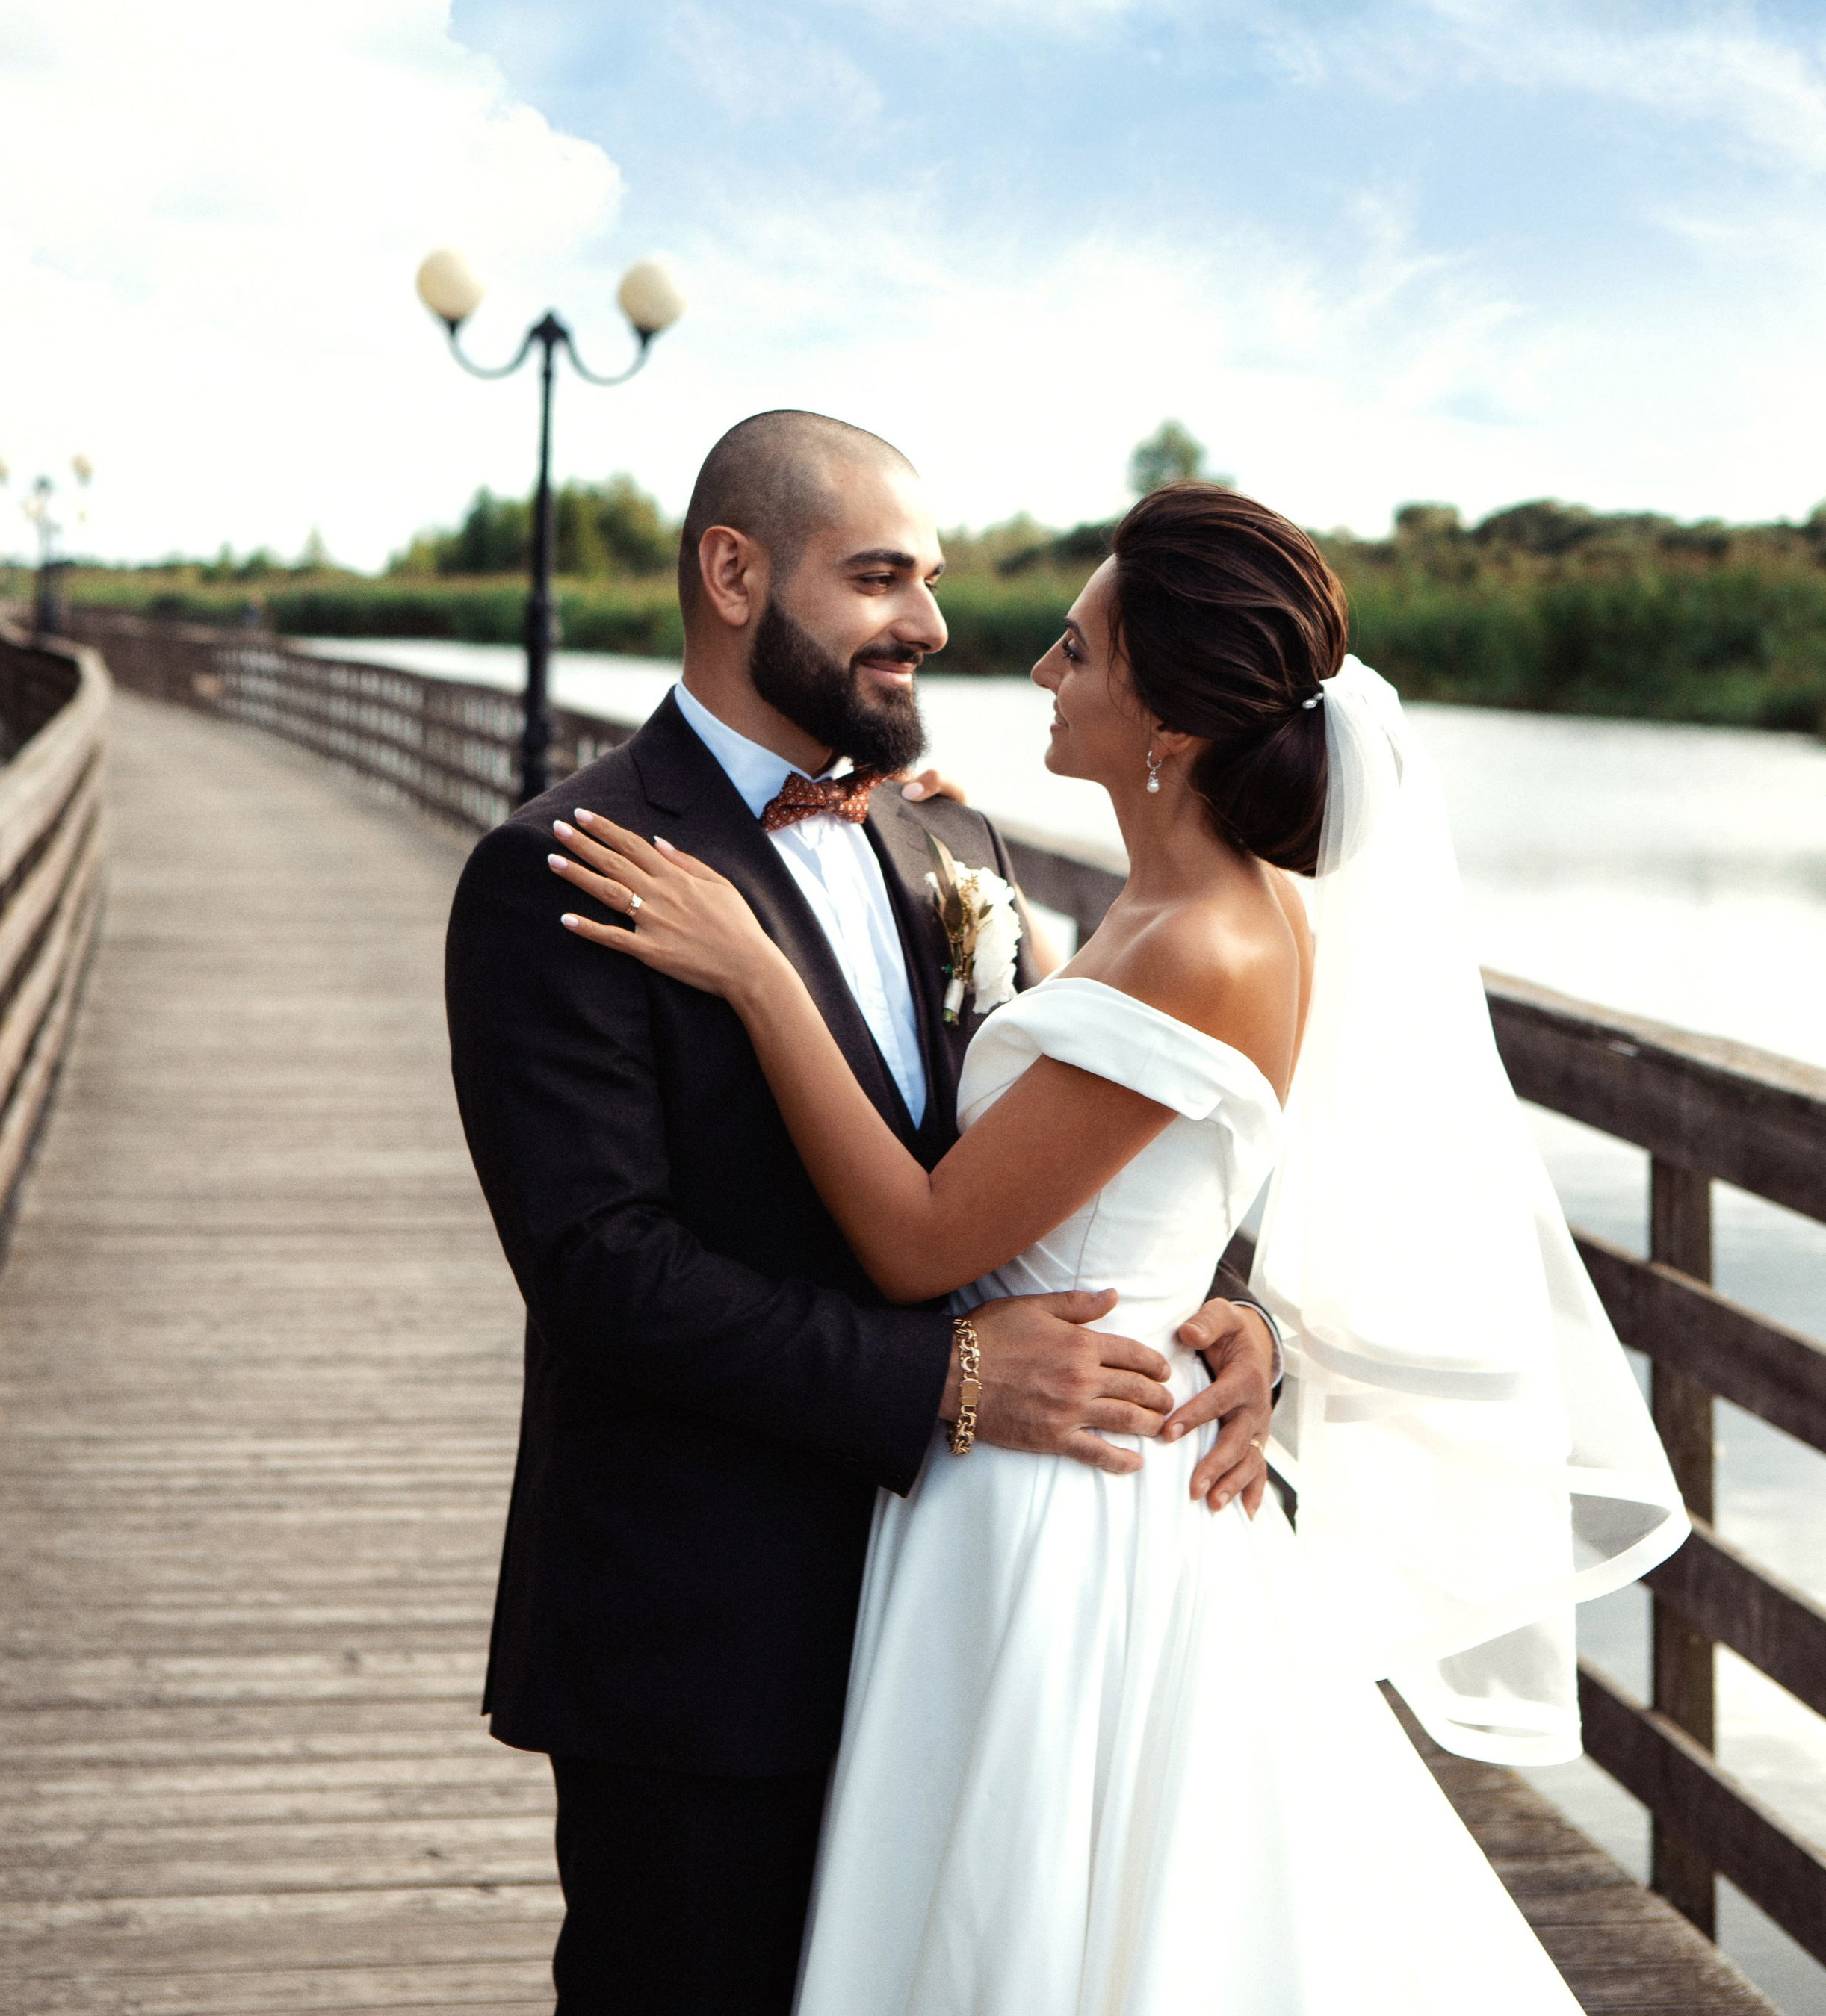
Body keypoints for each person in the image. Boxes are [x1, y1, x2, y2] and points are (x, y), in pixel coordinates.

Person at [553, 475, 1689, 2014]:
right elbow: (1150, 1151)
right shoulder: (1193, 912)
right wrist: (1230, 1302)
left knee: (1035, 1912)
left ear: (1164, 719)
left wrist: (757, 975)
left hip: (1057, 1501)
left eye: (1075, 651)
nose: (1035, 667)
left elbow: (920, 1238)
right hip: (1080, 1437)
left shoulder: (1206, 940)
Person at [442, 413, 1281, 2015]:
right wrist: (951, 1383)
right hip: (707, 1639)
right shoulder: (560, 869)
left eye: (935, 578)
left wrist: (1224, 1309)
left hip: (981, 1625)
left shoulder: (945, 836)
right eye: (879, 576)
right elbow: (600, 1271)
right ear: (734, 573)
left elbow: (1081, 1145)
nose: (932, 624)